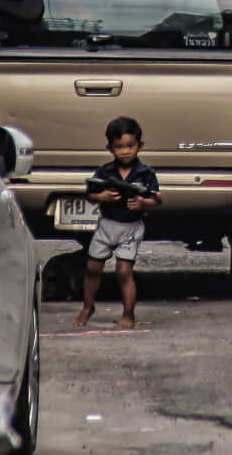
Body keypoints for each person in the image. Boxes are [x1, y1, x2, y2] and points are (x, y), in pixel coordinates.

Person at [74, 116, 161, 329]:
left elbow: (157, 199)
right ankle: (87, 307)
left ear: (140, 146)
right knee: (92, 268)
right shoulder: (104, 172)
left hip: (131, 228)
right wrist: (102, 197)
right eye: (119, 147)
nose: (125, 151)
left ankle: (128, 314)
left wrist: (142, 203)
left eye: (130, 146)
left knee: (124, 272)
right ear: (110, 148)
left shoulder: (145, 174)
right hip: (107, 226)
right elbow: (90, 194)